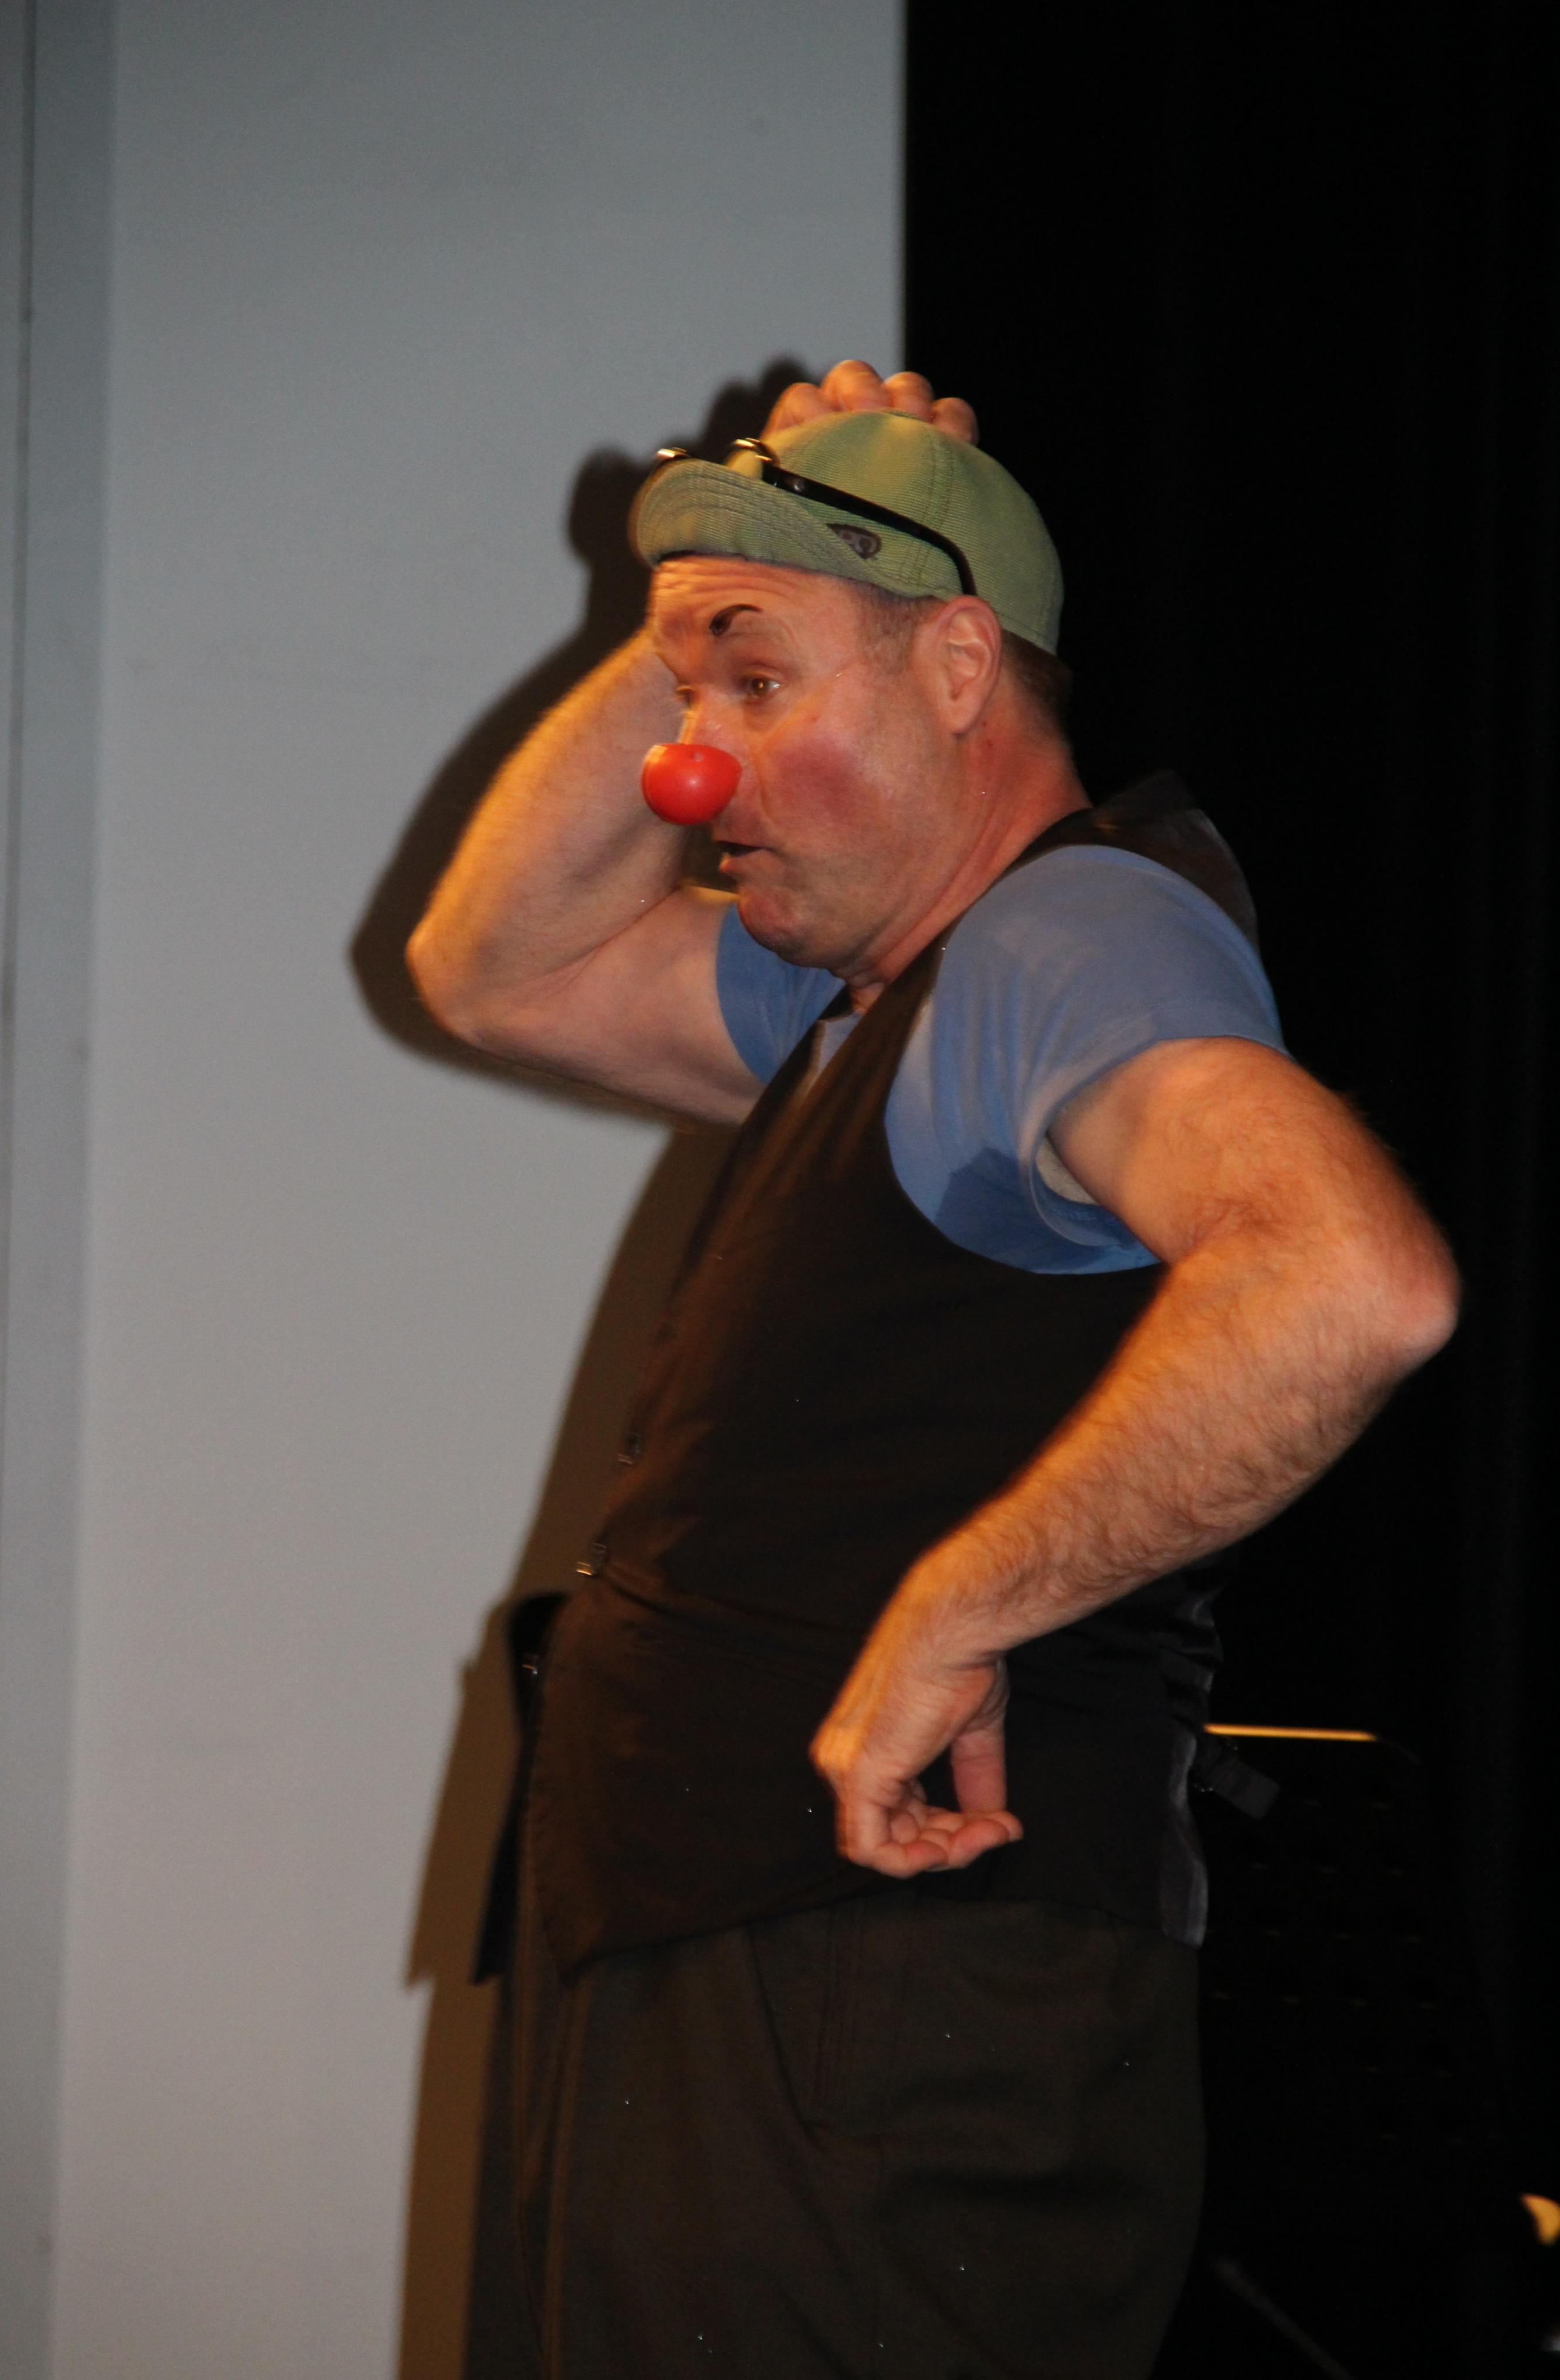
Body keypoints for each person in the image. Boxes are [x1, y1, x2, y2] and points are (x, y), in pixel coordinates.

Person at [409, 360, 1458, 2379]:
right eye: (689, 698)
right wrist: (703, 603)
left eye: (758, 686)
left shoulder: (1065, 943)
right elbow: (495, 970)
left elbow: (1350, 1278)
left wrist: (961, 1605)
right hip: (747, 1965)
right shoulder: (877, 994)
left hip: (870, 1996)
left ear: (961, 667)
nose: (684, 771)